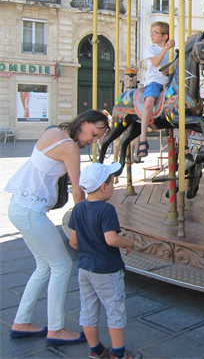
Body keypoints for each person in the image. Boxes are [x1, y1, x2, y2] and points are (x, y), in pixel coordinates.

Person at [5, 110, 110, 345]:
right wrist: (82, 223)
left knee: (43, 267)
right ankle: (56, 329)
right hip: (30, 210)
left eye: (97, 138)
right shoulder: (70, 147)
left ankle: (21, 322)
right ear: (83, 124)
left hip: (19, 205)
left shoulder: (53, 131)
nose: (92, 141)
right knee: (61, 266)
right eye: (93, 134)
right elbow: (78, 190)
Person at [68, 162, 142, 359]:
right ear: (103, 187)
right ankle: (119, 354)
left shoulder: (78, 209)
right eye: (112, 182)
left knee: (88, 309)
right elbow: (111, 239)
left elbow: (73, 242)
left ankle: (96, 350)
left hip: (85, 269)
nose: (113, 186)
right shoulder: (106, 210)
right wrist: (128, 243)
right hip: (107, 270)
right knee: (115, 309)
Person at [138, 21, 174, 158]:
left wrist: (171, 70)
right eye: (151, 32)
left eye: (155, 32)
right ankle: (143, 139)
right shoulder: (151, 48)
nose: (152, 35)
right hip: (154, 81)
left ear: (164, 36)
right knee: (149, 102)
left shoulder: (172, 52)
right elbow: (155, 63)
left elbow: (174, 67)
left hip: (169, 82)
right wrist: (166, 48)